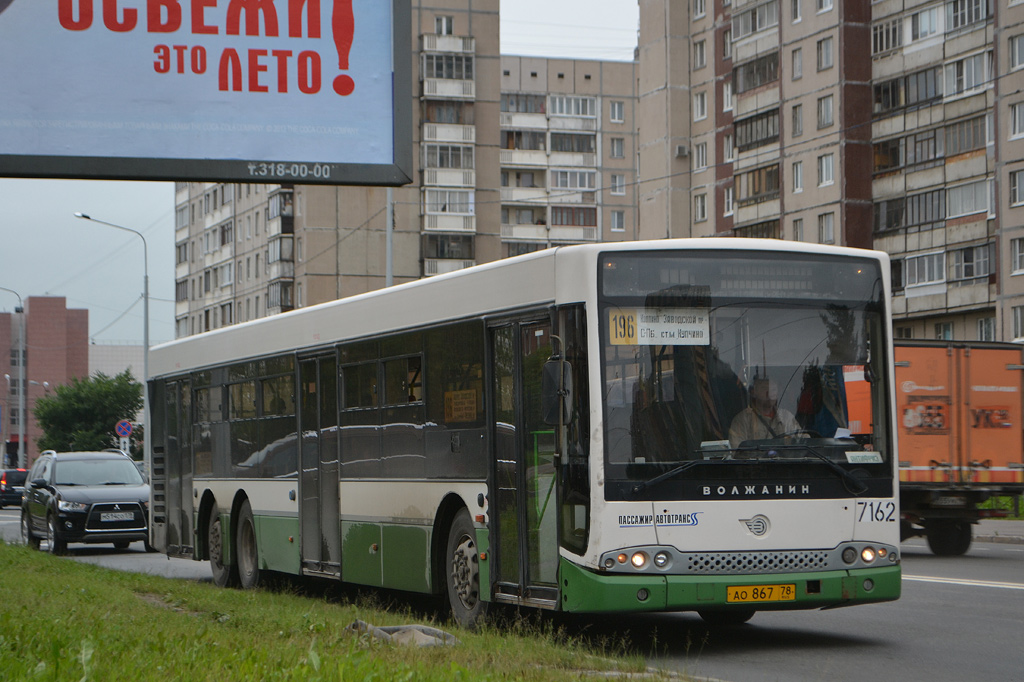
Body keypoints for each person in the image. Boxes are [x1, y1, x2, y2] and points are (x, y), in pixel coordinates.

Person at [728, 377, 801, 448]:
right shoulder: (743, 420)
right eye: (764, 388)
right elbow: (736, 452)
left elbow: (803, 441)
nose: (769, 393)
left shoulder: (786, 417)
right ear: (753, 392)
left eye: (773, 389)